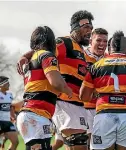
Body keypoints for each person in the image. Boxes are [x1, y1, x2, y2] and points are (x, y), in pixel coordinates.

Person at [16, 10, 94, 150]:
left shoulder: (82, 51)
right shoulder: (65, 43)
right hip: (65, 103)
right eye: (86, 27)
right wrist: (25, 56)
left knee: (80, 144)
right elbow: (43, 50)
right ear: (75, 28)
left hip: (76, 105)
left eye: (91, 28)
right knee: (78, 143)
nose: (90, 31)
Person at [16, 26, 72, 150]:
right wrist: (68, 90)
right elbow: (55, 82)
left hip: (30, 114)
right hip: (36, 115)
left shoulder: (32, 59)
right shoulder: (47, 56)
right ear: (51, 41)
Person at [83, 28, 108, 148]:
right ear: (90, 41)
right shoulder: (81, 56)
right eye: (99, 40)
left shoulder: (109, 59)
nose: (102, 44)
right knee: (84, 142)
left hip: (102, 108)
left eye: (105, 41)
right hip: (84, 108)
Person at [0, 76, 19, 150]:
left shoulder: (10, 95)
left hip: (7, 122)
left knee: (15, 142)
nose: (9, 85)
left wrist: (13, 115)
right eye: (7, 83)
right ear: (1, 84)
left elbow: (10, 106)